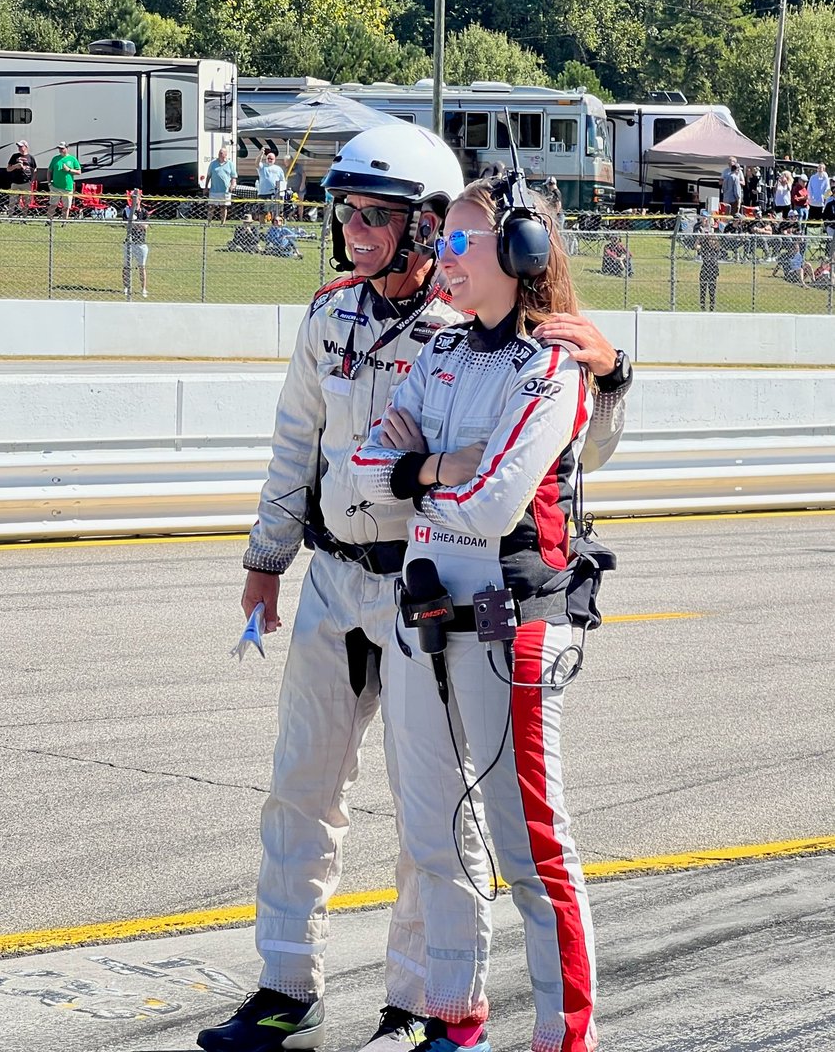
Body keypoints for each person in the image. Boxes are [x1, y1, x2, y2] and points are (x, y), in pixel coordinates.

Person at [195, 126, 633, 1052]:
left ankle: (416, 1006)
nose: (354, 230)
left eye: (377, 215)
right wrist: (266, 558)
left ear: (432, 227)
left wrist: (613, 372)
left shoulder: (471, 329)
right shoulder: (329, 316)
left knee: (431, 817)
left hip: (426, 595)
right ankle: (286, 990)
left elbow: (568, 456)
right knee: (298, 793)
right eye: (345, 211)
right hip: (332, 579)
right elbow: (299, 446)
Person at [350, 173, 613, 1052]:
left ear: (523, 250)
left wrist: (417, 481)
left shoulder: (554, 364)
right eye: (443, 239)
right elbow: (359, 470)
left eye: (461, 239)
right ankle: (456, 1017)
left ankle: (563, 1037)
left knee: (531, 844)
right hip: (422, 617)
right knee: (433, 829)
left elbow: (498, 502)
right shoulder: (442, 350)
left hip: (515, 629)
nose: (443, 255)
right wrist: (431, 470)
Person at [122, 188, 150, 298]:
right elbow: (125, 225)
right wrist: (133, 223)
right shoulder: (127, 210)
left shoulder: (144, 212)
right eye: (132, 198)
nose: (134, 201)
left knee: (142, 266)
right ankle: (126, 287)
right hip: (129, 242)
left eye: (136, 198)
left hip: (141, 243)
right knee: (126, 266)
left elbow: (145, 226)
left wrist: (136, 222)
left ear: (140, 199)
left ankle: (143, 288)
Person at [45, 141, 81, 220]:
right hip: (55, 186)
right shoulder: (55, 159)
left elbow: (79, 172)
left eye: (62, 148)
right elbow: (49, 171)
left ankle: (64, 222)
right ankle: (48, 221)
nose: (60, 150)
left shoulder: (72, 159)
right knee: (53, 205)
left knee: (66, 207)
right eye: (59, 148)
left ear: (67, 148)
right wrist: (49, 183)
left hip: (67, 187)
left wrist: (69, 170)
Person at [6, 139, 37, 216]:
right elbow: (8, 169)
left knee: (26, 202)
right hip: (15, 182)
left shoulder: (30, 157)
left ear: (26, 147)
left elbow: (35, 170)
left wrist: (32, 181)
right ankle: (10, 217)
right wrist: (15, 166)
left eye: (21, 146)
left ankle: (24, 217)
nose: (19, 148)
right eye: (18, 146)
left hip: (26, 183)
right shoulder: (15, 156)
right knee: (12, 201)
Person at [208, 146, 237, 222]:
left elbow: (233, 177)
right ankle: (209, 222)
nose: (219, 154)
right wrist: (205, 187)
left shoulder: (230, 164)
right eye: (219, 153)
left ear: (225, 154)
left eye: (221, 153)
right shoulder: (213, 163)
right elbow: (208, 176)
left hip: (225, 190)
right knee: (211, 207)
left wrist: (232, 185)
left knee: (223, 207)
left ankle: (222, 222)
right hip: (214, 190)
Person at [697, 225, 721, 310]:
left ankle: (712, 305)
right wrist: (700, 238)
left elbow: (716, 245)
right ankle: (702, 305)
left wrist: (712, 237)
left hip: (713, 268)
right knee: (703, 287)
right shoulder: (704, 244)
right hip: (705, 267)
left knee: (712, 288)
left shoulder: (716, 245)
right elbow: (696, 247)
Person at [257, 148, 286, 216]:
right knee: (262, 212)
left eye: (271, 159)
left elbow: (283, 181)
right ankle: (262, 226)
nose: (270, 160)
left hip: (275, 193)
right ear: (266, 159)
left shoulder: (278, 169)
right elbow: (256, 163)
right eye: (268, 158)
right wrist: (261, 154)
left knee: (275, 212)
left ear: (275, 160)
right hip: (263, 193)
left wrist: (282, 193)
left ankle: (274, 226)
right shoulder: (262, 166)